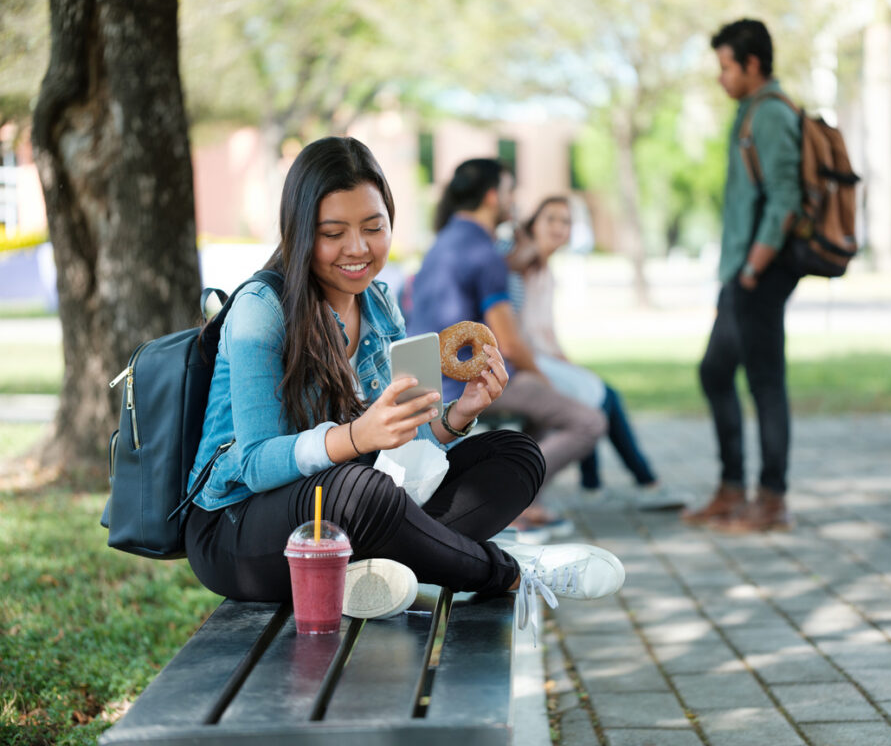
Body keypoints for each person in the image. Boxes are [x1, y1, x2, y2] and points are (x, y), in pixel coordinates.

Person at [184, 136, 624, 627]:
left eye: (374, 227)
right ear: (300, 231)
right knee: (358, 489)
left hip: (355, 506)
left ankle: (369, 573)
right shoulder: (261, 311)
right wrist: (355, 438)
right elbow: (257, 463)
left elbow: (405, 447)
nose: (358, 248)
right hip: (237, 527)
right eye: (334, 233)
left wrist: (458, 417)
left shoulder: (378, 303)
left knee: (516, 454)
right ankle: (514, 571)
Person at [406, 159, 607, 539]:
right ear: (493, 195)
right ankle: (510, 504)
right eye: (510, 190)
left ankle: (526, 502)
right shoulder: (485, 252)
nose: (514, 200)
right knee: (588, 421)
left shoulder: (444, 240)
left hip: (431, 380)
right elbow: (509, 342)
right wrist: (542, 376)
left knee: (544, 415)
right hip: (466, 388)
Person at [682, 19, 802, 532]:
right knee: (715, 371)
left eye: (727, 66)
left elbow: (786, 195)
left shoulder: (771, 114)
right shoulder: (751, 112)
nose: (721, 77)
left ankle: (771, 500)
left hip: (762, 272)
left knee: (765, 383)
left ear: (753, 64)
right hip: (742, 273)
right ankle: (733, 489)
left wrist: (752, 267)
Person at [505, 195, 661, 494]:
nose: (558, 227)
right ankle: (640, 479)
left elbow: (547, 333)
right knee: (602, 399)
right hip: (527, 362)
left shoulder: (547, 273)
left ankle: (599, 483)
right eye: (550, 219)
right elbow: (518, 330)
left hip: (545, 358)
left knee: (600, 394)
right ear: (533, 223)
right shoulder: (523, 262)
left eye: (565, 221)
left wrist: (568, 363)